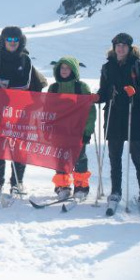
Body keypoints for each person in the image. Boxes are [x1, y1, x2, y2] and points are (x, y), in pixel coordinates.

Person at [0, 26, 47, 197]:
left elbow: (24, 86)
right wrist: (2, 87)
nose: (12, 43)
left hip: (20, 111)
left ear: (20, 42)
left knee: (19, 147)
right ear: (3, 41)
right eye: (9, 40)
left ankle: (17, 183)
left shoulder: (25, 60)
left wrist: (1, 83)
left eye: (16, 40)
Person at [97, 32, 140, 215]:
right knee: (115, 157)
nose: (120, 48)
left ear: (130, 48)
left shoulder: (138, 66)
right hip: (113, 116)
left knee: (137, 156)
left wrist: (135, 90)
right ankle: (115, 192)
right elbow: (104, 91)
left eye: (123, 45)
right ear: (114, 47)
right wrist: (96, 97)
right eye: (117, 45)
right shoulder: (107, 67)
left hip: (134, 116)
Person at [47, 56, 97, 200]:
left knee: (79, 158)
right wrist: (48, 128)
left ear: (73, 70)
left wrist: (88, 130)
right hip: (59, 130)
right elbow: (47, 109)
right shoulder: (54, 87)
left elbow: (90, 110)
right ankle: (62, 185)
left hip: (77, 130)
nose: (64, 71)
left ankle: (81, 186)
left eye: (67, 68)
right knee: (60, 158)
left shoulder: (81, 87)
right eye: (62, 68)